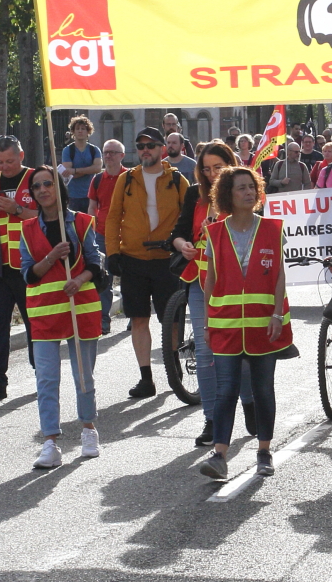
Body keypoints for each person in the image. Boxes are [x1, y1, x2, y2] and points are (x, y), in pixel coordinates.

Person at [197, 166, 289, 481]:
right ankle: (219, 455)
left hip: (263, 324)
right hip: (226, 325)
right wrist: (207, 323)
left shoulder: (273, 228)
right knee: (225, 390)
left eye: (252, 186)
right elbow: (209, 281)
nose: (249, 192)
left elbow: (279, 275)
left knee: (263, 389)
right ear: (228, 195)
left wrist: (277, 314)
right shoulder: (214, 233)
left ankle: (264, 452)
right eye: (241, 188)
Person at [171, 142, 256, 447]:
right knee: (205, 351)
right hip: (200, 278)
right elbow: (177, 233)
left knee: (238, 350)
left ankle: (248, 401)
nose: (211, 174)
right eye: (205, 169)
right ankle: (212, 419)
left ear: (230, 164)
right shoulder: (195, 194)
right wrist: (183, 245)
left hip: (235, 281)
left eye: (218, 168)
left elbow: (255, 232)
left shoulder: (242, 192)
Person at [23, 164, 104, 469]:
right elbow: (28, 274)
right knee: (46, 379)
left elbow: (95, 263)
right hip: (44, 313)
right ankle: (50, 442)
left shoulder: (81, 222)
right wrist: (52, 257)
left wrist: (79, 279)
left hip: (79, 308)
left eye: (48, 184)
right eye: (37, 186)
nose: (43, 190)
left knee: (83, 375)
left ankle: (88, 429)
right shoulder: (27, 229)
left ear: (59, 187)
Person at [105, 126, 189, 398]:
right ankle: (146, 378)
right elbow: (113, 217)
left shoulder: (176, 180)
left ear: (161, 149)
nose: (145, 150)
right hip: (133, 259)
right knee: (139, 319)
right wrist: (112, 253)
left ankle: (174, 368)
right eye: (140, 146)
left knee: (171, 320)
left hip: (166, 260)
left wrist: (183, 246)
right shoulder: (127, 179)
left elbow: (188, 218)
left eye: (150, 145)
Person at [0, 134, 39, 402]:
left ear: (21, 156)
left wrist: (17, 209)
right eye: (0, 162)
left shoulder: (36, 178)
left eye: (10, 161)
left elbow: (48, 217)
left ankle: (42, 373)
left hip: (29, 267)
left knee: (35, 322)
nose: (5, 167)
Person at [87, 139, 125, 334]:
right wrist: (92, 228)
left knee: (129, 277)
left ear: (122, 156)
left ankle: (133, 315)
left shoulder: (129, 178)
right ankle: (103, 319)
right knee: (104, 278)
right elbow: (92, 206)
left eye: (112, 152)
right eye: (106, 152)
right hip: (102, 234)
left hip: (127, 234)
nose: (108, 155)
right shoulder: (97, 179)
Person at [60, 115, 101, 212]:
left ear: (88, 131)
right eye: (77, 129)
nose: (80, 131)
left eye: (83, 129)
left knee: (91, 221)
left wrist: (75, 170)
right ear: (73, 132)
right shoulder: (67, 150)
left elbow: (98, 168)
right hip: (73, 196)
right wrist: (89, 170)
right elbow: (68, 175)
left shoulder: (94, 150)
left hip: (92, 195)